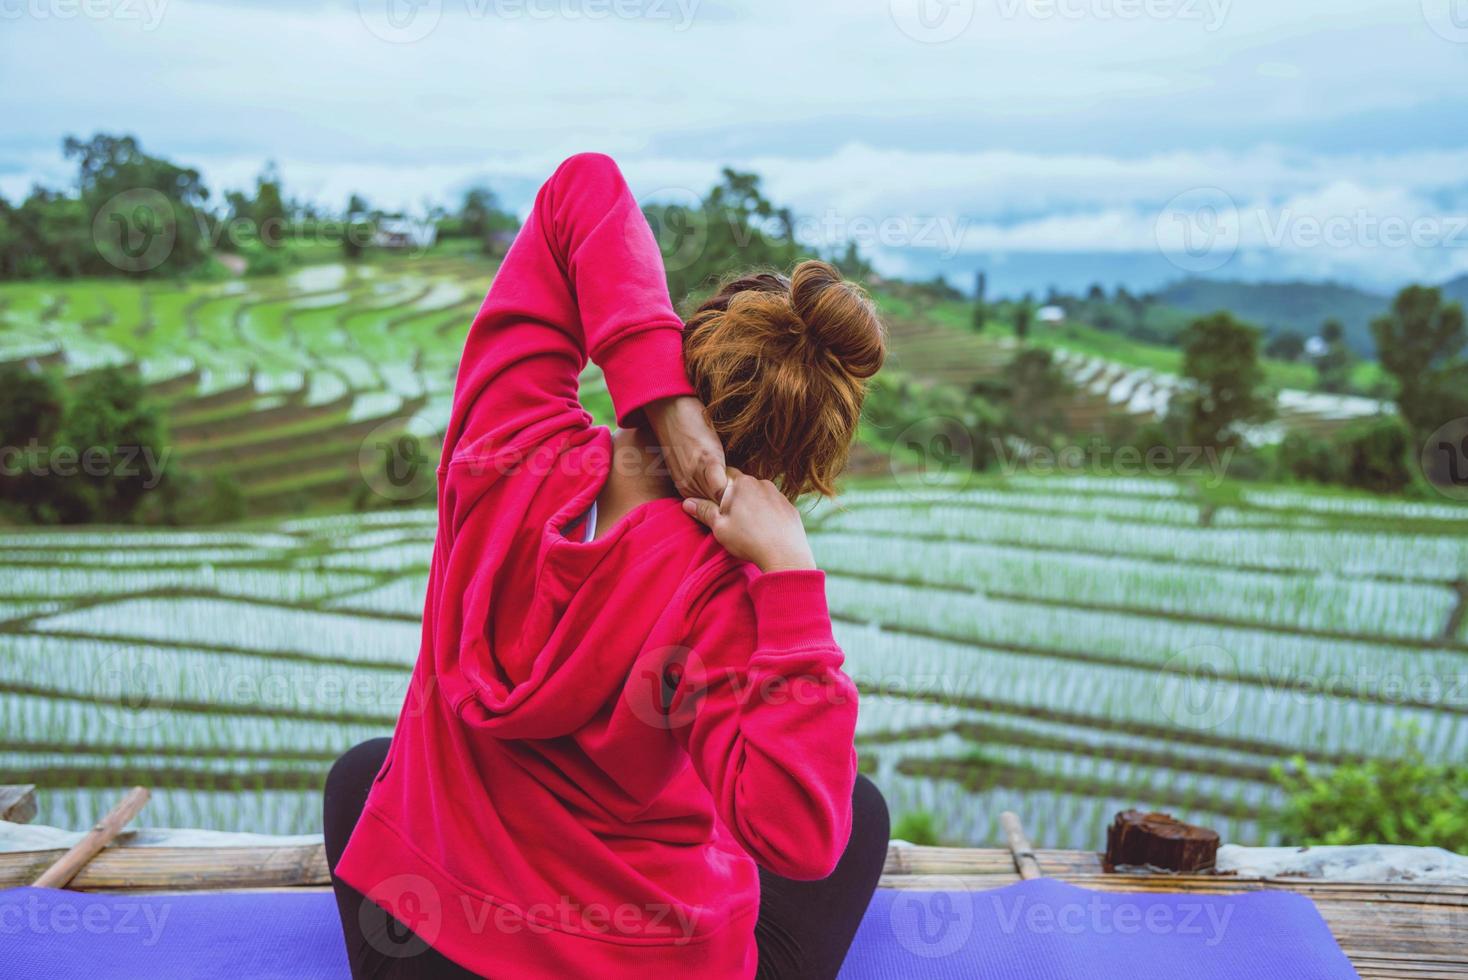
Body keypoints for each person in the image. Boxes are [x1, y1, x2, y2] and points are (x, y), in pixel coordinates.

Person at [323, 153, 889, 979]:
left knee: (364, 776)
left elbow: (579, 190)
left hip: (432, 940)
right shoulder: (723, 597)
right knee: (856, 815)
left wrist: (657, 397)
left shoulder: (504, 446)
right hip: (628, 959)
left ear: (687, 353)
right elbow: (799, 839)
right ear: (793, 470)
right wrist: (790, 578)